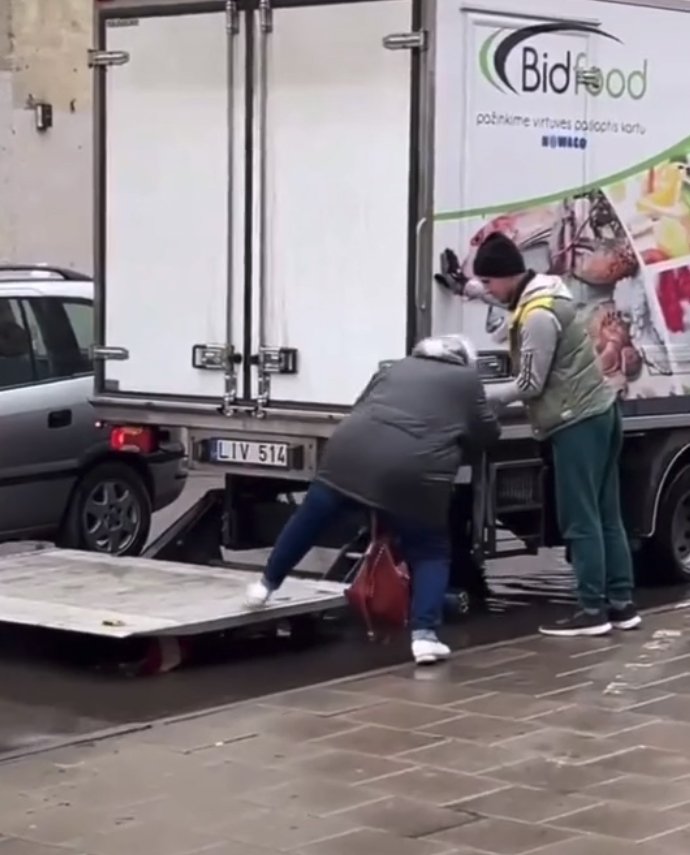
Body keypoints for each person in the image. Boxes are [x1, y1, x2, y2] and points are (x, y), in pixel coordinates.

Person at [244, 334, 501, 664]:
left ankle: (265, 586)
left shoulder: (394, 368)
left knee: (309, 519)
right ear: (464, 360)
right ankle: (424, 636)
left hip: (347, 458)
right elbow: (486, 435)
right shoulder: (466, 379)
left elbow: (361, 406)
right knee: (430, 551)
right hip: (414, 473)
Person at [472, 231, 640, 638]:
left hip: (575, 421)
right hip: (599, 411)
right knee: (607, 515)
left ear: (508, 277)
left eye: (490, 282)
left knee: (580, 518)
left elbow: (530, 384)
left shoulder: (538, 317)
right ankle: (621, 605)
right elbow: (506, 305)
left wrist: (481, 396)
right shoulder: (549, 294)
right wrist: (475, 292)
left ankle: (591, 611)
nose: (489, 289)